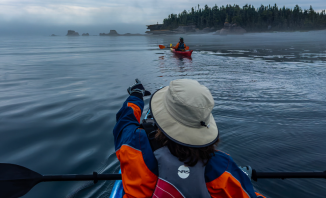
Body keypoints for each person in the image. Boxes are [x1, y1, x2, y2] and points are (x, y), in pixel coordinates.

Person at [113, 79, 265, 198]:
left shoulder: (133, 142)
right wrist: (241, 177)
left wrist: (136, 94)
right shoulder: (221, 167)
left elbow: (125, 120)